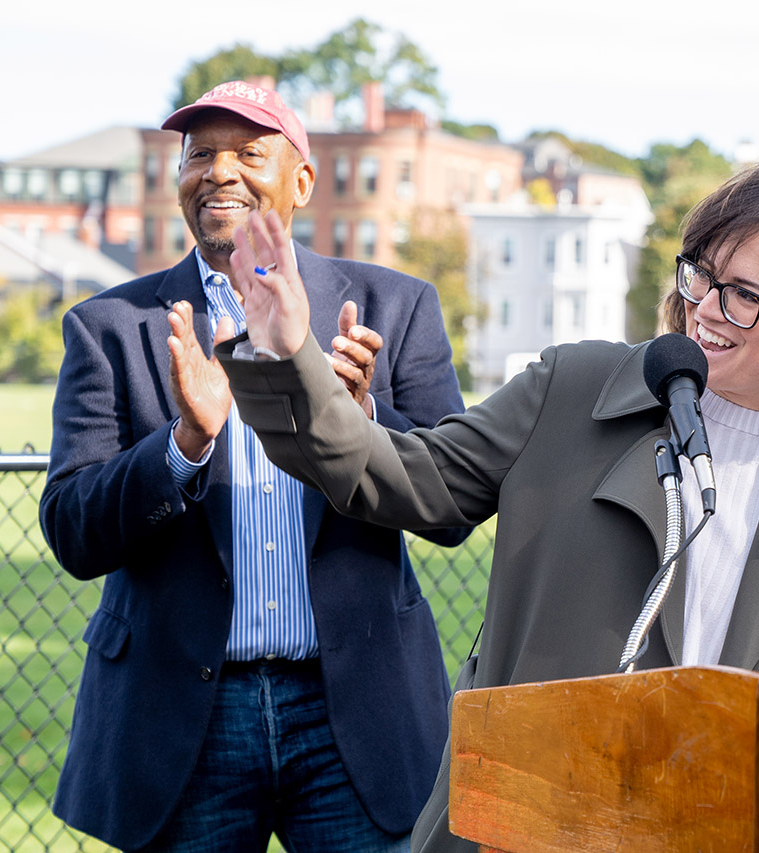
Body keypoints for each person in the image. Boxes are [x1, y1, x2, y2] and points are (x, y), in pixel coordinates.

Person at [217, 156, 759, 851]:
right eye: (701, 274)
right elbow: (395, 474)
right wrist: (290, 358)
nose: (705, 308)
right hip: (525, 821)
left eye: (743, 296)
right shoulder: (573, 387)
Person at [38, 80, 468, 852]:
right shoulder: (109, 327)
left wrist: (360, 419)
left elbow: (450, 505)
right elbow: (73, 530)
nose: (219, 171)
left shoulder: (393, 308)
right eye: (198, 155)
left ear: (302, 180)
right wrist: (184, 444)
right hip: (183, 720)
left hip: (354, 714)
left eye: (247, 153)